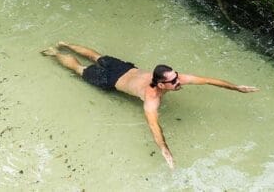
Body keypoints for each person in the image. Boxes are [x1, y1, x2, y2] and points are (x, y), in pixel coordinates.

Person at [42, 41, 258, 169]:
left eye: (176, 77)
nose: (178, 82)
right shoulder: (151, 98)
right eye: (173, 81)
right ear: (161, 83)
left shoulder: (175, 78)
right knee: (80, 69)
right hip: (110, 80)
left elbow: (209, 80)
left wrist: (236, 87)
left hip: (121, 68)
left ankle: (66, 43)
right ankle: (56, 52)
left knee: (97, 56)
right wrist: (165, 150)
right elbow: (154, 127)